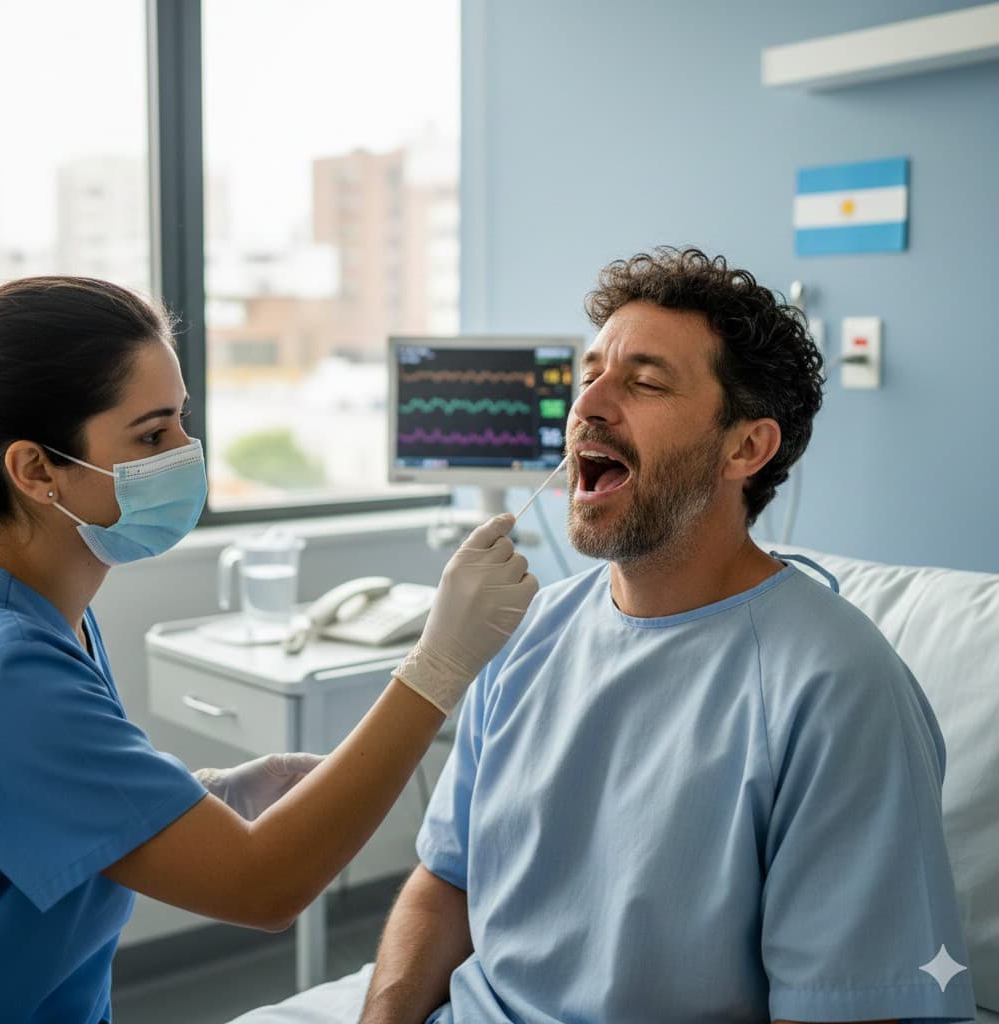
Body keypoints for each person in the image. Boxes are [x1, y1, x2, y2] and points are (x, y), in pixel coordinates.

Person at [240, 247, 976, 1024]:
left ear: (745, 448)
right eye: (590, 373)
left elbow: (844, 1008)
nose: (589, 403)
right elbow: (448, 880)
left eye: (645, 382)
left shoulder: (834, 688)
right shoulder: (526, 635)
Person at [0, 276, 538, 1024]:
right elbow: (263, 887)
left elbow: (49, 807)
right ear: (37, 470)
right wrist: (439, 665)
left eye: (182, 421)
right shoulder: (6, 666)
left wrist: (215, 792)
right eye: (150, 436)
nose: (187, 454)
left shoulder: (49, 610)